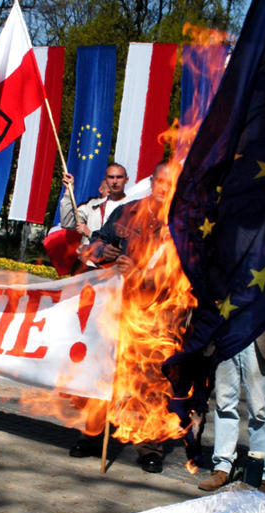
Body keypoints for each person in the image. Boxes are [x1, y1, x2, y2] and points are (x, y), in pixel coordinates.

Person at [68, 161, 175, 473]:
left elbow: (185, 273)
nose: (163, 188)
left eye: (171, 183)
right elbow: (95, 243)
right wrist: (104, 252)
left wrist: (140, 274)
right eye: (159, 181)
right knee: (101, 372)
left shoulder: (182, 222)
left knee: (148, 383)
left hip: (154, 313)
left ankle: (149, 446)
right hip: (115, 308)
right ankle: (90, 436)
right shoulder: (126, 211)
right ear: (152, 181)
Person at [197, 334, 265, 494]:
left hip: (259, 336)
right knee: (224, 403)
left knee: (260, 410)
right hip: (228, 335)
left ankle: (264, 474)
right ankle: (222, 466)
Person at [60, 164, 128, 246]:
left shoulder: (133, 207)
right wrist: (68, 191)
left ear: (126, 180)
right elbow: (67, 222)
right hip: (89, 256)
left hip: (116, 257)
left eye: (119, 177)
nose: (114, 181)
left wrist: (90, 233)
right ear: (106, 179)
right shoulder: (93, 206)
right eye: (111, 177)